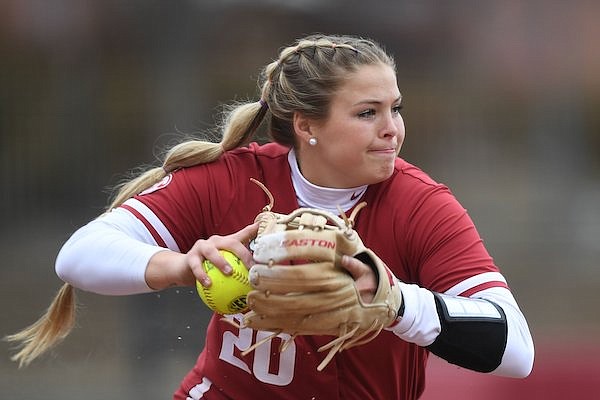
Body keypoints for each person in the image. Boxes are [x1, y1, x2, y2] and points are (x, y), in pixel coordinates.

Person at [7, 34, 534, 399]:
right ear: (308, 126)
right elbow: (78, 255)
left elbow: (516, 348)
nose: (392, 128)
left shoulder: (419, 204)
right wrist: (182, 263)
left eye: (395, 108)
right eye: (367, 113)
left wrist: (396, 301)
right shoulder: (236, 179)